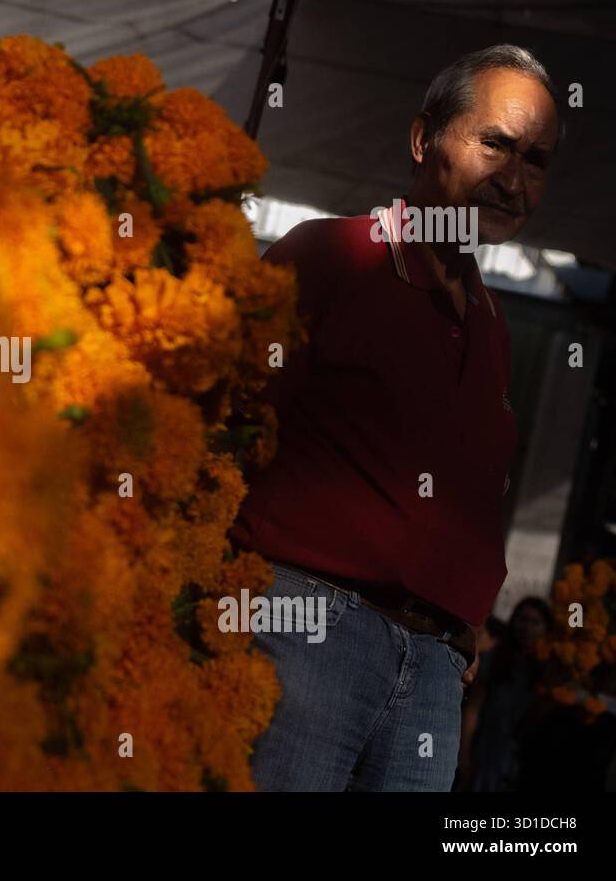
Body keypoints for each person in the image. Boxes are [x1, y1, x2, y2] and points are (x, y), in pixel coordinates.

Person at [232, 44, 562, 791]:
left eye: (536, 161)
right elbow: (229, 418)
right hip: (306, 628)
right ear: (423, 140)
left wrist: (462, 615)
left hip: (438, 670)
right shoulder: (328, 254)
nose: (514, 180)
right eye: (496, 145)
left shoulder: (492, 324)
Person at [455, 597, 553, 791]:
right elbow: (473, 710)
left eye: (535, 622)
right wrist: (464, 755)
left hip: (518, 756)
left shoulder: (547, 670)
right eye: (523, 619)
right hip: (486, 750)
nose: (527, 628)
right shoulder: (494, 660)